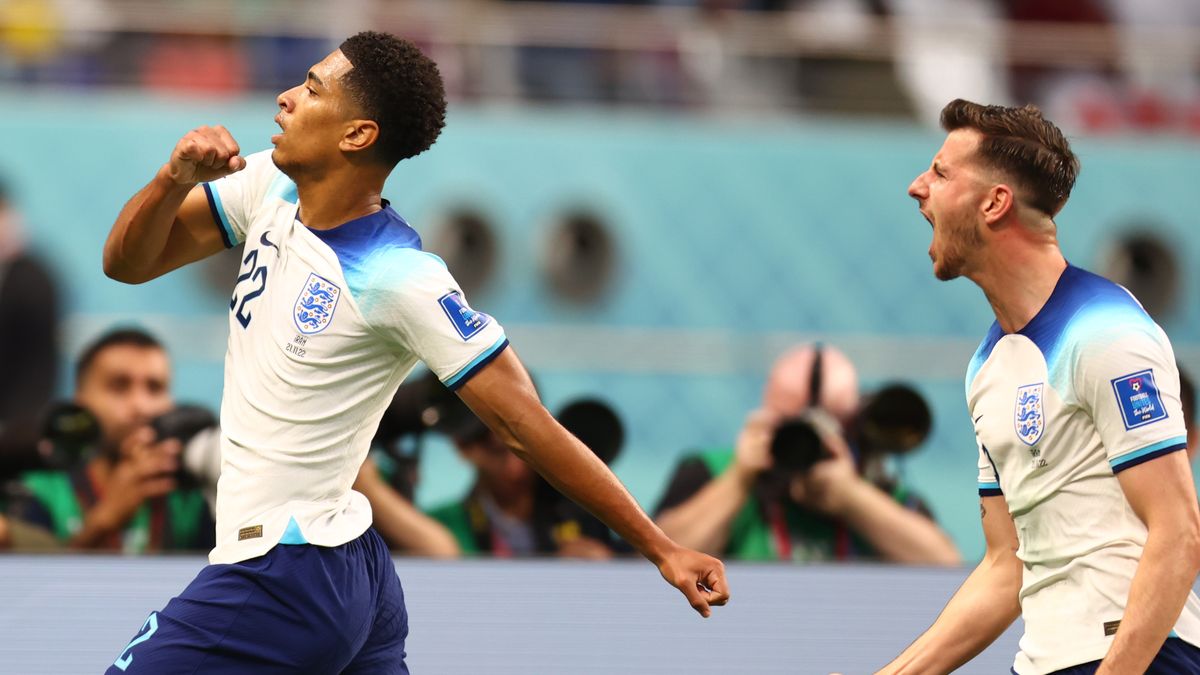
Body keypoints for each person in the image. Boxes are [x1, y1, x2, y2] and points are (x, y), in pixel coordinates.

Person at [100, 31, 727, 674]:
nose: (285, 98)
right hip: (351, 562)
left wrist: (661, 548)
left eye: (312, 89)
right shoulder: (269, 183)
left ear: (357, 135)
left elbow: (525, 424)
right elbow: (127, 263)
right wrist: (170, 180)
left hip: (284, 573)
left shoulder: (401, 277)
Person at [879, 99, 1200, 674]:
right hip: (1045, 662)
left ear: (995, 202)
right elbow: (1007, 565)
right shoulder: (988, 363)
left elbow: (1178, 533)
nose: (916, 187)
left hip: (1140, 658)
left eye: (941, 172)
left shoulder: (1107, 332)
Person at [655, 343, 960, 564]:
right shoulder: (712, 472)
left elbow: (947, 569)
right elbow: (657, 559)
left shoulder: (880, 492)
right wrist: (739, 480)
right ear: (765, 416)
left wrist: (852, 497)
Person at [8, 328, 214, 552]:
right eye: (119, 386)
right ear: (80, 401)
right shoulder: (41, 493)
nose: (140, 406)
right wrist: (105, 519)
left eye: (155, 388)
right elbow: (30, 583)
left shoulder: (192, 498)